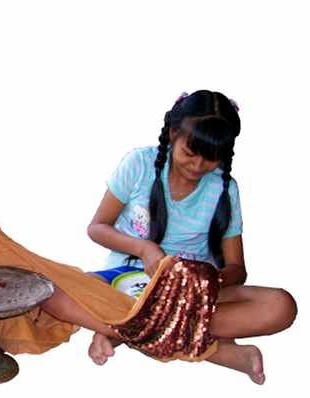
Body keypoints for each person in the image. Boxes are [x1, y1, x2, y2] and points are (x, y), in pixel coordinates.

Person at [85, 90, 297, 384]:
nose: (197, 166)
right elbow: (97, 227)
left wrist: (204, 280)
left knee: (282, 306)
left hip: (191, 297)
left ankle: (123, 332)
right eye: (190, 152)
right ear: (173, 133)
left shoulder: (224, 188)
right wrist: (144, 248)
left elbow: (238, 269)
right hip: (126, 281)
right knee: (68, 289)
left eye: (210, 158)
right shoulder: (139, 165)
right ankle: (222, 352)